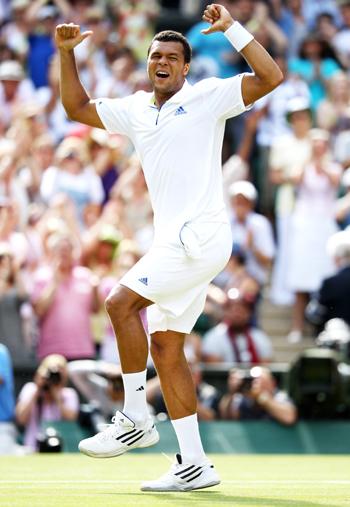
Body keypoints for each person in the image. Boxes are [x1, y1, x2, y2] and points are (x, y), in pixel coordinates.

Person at [55, 2, 282, 492]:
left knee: (119, 302)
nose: (160, 61)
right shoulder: (136, 108)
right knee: (166, 346)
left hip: (199, 238)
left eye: (171, 58)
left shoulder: (209, 97)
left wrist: (231, 30)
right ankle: (195, 463)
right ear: (149, 62)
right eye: (155, 55)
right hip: (174, 243)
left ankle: (136, 415)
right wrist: (67, 54)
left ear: (185, 67)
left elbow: (271, 76)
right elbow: (75, 108)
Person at [15, 354, 79, 452]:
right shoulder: (30, 389)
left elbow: (70, 419)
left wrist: (56, 394)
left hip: (61, 447)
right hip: (33, 447)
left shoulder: (69, 394)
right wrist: (38, 389)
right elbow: (21, 419)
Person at [219, 365, 297, 425]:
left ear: (272, 383)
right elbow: (226, 417)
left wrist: (260, 397)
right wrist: (233, 393)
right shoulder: (244, 398)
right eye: (252, 380)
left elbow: (289, 418)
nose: (254, 383)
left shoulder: (279, 396)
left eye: (258, 380)